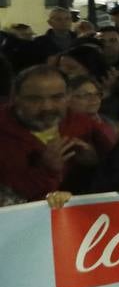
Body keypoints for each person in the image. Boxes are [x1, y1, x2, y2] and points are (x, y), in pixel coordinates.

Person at [0, 65, 113, 201]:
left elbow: (118, 171)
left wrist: (95, 161)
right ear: (15, 98)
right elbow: (9, 202)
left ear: (68, 96)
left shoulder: (83, 124)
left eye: (57, 97)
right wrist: (46, 170)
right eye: (34, 99)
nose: (47, 106)